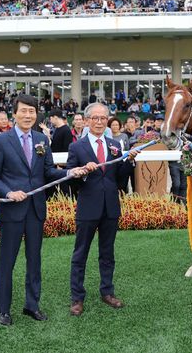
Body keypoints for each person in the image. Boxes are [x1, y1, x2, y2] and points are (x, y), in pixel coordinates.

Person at [0, 95, 85, 326]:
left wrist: (70, 172)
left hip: (35, 209)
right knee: (7, 261)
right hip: (12, 210)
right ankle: (3, 309)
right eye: (23, 111)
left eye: (32, 111)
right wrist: (8, 193)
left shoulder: (42, 139)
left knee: (34, 260)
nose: (28, 115)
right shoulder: (1, 140)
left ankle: (32, 305)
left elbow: (48, 171)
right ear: (14, 114)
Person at [65, 102, 140, 317]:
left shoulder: (114, 145)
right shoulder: (76, 147)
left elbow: (119, 179)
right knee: (80, 254)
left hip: (110, 208)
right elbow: (71, 182)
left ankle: (107, 292)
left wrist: (129, 161)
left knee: (107, 254)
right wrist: (83, 173)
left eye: (103, 118)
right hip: (88, 208)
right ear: (87, 121)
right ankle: (77, 297)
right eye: (95, 118)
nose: (99, 122)